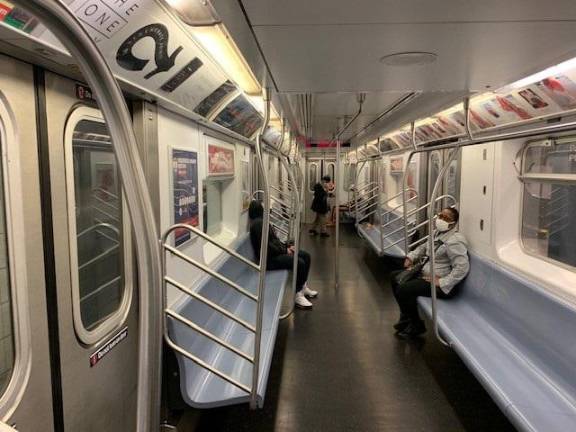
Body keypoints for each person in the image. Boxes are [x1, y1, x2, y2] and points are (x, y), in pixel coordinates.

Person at [391, 207, 469, 339]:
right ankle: (406, 318)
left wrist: (442, 282)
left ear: (453, 223)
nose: (441, 219)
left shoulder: (455, 240)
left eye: (446, 218)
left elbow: (462, 267)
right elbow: (423, 248)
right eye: (440, 216)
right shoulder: (436, 233)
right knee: (394, 277)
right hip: (426, 274)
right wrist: (411, 256)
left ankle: (416, 325)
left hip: (441, 285)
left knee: (404, 289)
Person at [249, 200, 318, 309]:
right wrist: (285, 251)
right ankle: (297, 294)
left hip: (275, 254)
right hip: (268, 260)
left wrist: (287, 247)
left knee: (306, 256)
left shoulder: (263, 222)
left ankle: (303, 286)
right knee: (299, 263)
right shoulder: (258, 224)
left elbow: (275, 242)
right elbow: (267, 247)